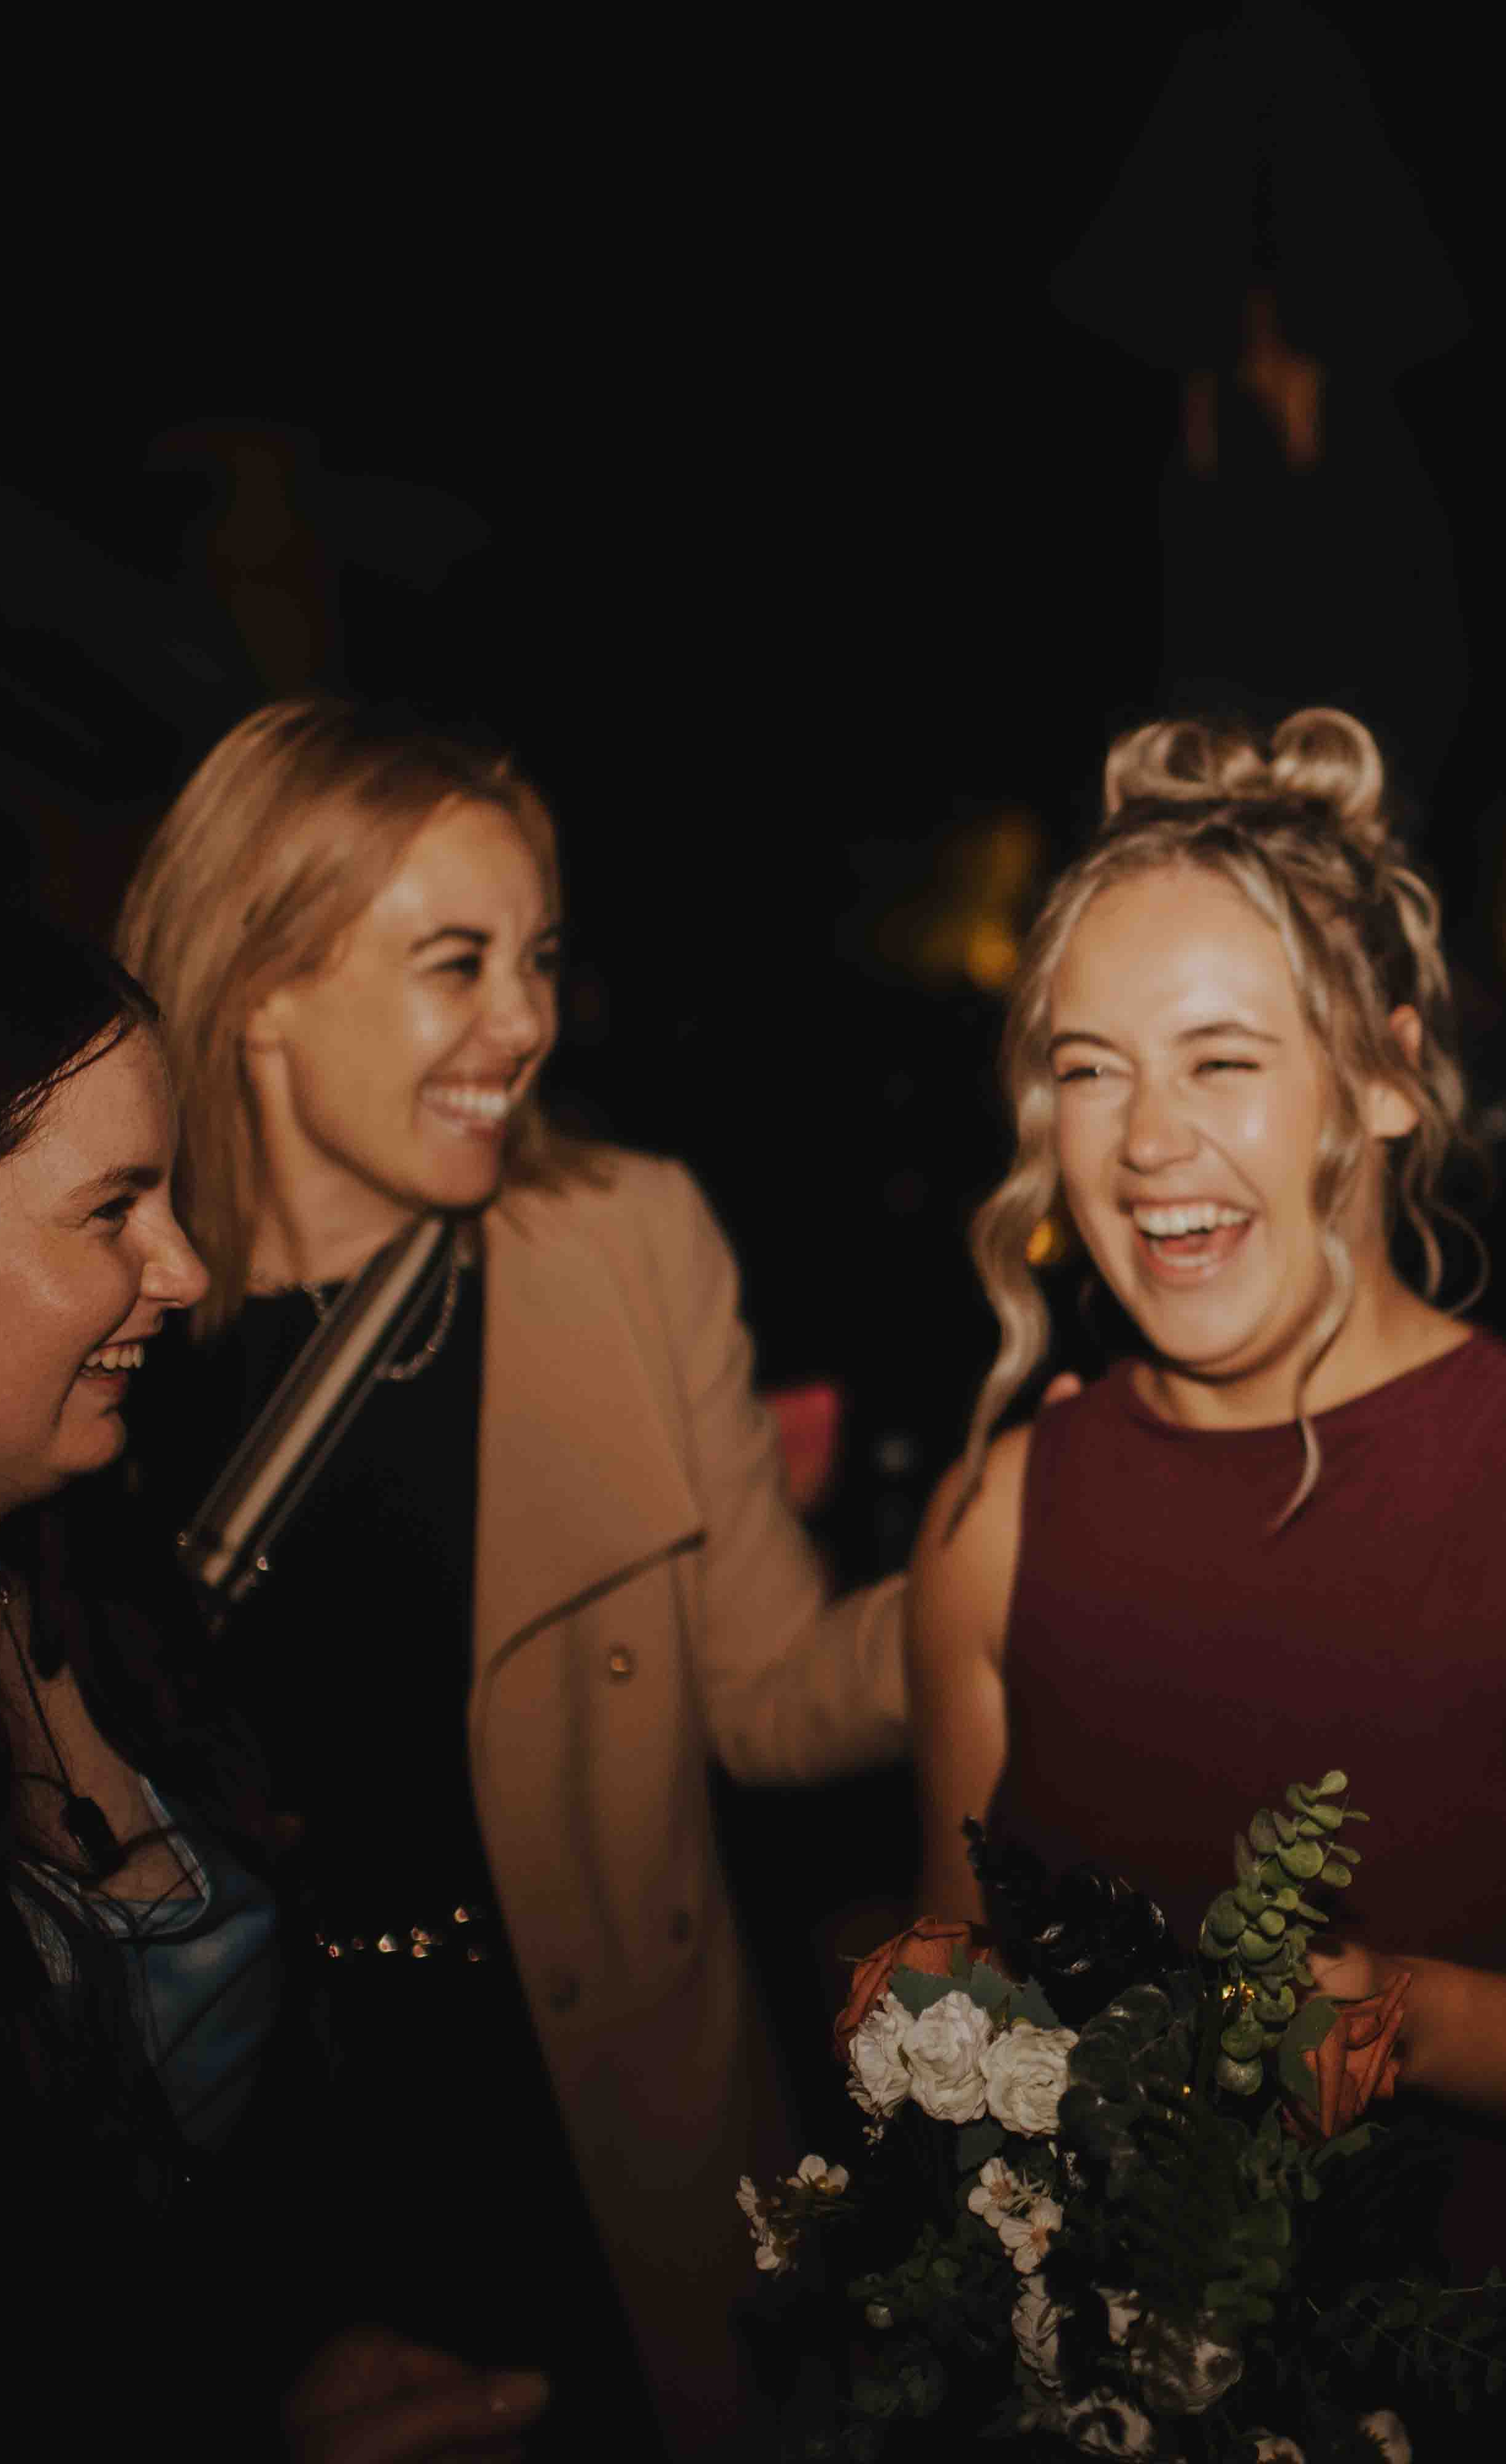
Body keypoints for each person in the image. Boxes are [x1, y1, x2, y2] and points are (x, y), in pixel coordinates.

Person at [904, 707, 1506, 2434]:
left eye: (1223, 1058)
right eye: (1091, 1067)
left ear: (1389, 1074)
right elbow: (961, 1995)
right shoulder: (993, 1522)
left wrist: (1411, 2021)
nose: (1146, 1139)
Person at [115, 699, 910, 2459]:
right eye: (456, 962)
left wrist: (1018, 1572)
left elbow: (773, 1693)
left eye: (537, 958)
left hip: (612, 2119)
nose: (528, 1019)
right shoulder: (109, 1307)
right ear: (259, 986)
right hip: (272, 2175)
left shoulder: (623, 1240)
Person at [0, 899, 561, 2457]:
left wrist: (308, 2348)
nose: (185, 1266)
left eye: (174, 1197)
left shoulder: (103, 1582)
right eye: (111, 1208)